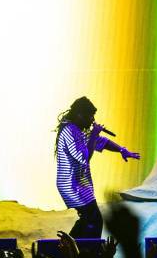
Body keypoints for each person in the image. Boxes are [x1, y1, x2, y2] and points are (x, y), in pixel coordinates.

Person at [55, 96, 140, 238]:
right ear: (80, 115)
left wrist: (121, 150)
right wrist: (94, 133)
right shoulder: (70, 131)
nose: (92, 120)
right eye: (90, 116)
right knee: (94, 219)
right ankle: (83, 251)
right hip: (72, 185)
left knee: (89, 220)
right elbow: (84, 157)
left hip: (77, 184)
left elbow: (101, 142)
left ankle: (68, 249)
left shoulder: (78, 130)